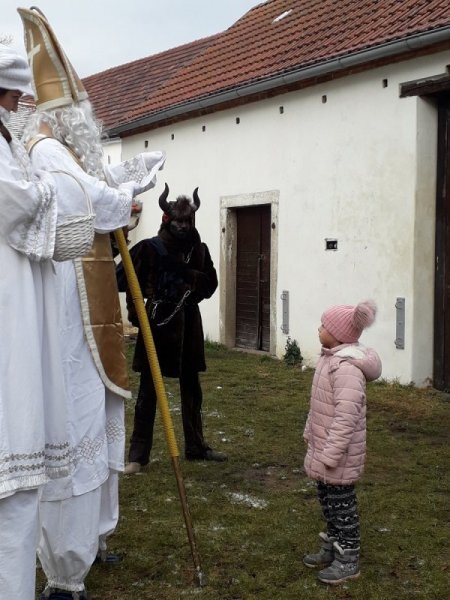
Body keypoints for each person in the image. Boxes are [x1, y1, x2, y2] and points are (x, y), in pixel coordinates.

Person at [18, 8, 165, 600]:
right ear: (63, 113)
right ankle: (64, 571)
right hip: (68, 318)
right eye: (82, 109)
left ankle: (94, 540)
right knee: (75, 434)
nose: (90, 119)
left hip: (91, 319)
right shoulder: (46, 150)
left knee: (99, 427)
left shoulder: (66, 150)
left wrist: (128, 176)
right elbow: (92, 201)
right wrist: (129, 190)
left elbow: (97, 184)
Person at [0, 43, 72, 600]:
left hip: (17, 303)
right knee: (15, 494)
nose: (18, 105)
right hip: (9, 309)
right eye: (13, 96)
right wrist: (57, 187)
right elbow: (18, 201)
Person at [123, 183, 227, 474]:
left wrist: (189, 280)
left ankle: (196, 446)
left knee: (192, 389)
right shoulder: (150, 248)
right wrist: (138, 312)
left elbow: (210, 284)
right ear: (167, 219)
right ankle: (137, 456)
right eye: (178, 221)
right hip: (157, 325)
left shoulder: (199, 250)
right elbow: (127, 281)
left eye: (186, 221)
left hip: (188, 325)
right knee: (148, 392)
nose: (182, 226)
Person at [302, 300, 382, 585]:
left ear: (338, 334)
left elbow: (346, 417)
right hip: (323, 448)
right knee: (329, 502)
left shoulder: (347, 369)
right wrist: (310, 432)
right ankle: (333, 545)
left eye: (324, 326)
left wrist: (332, 452)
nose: (319, 329)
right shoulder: (329, 359)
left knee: (342, 506)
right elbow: (319, 405)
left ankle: (348, 557)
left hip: (338, 455)